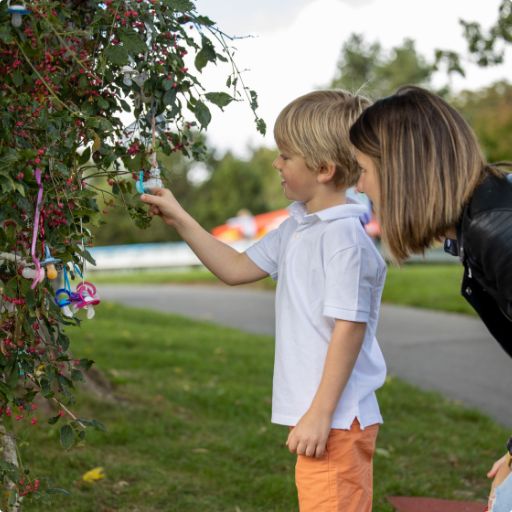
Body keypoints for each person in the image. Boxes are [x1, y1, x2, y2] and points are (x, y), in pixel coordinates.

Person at [141, 90, 387, 512]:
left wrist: (319, 414)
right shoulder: (298, 229)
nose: (276, 163)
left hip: (337, 419)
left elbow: (349, 329)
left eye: (285, 156)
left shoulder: (343, 239)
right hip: (323, 418)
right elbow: (235, 268)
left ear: (324, 169)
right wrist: (181, 219)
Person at [348, 84, 512, 511]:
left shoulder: (498, 231)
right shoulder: (482, 221)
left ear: (401, 171)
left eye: (363, 170)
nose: (360, 187)